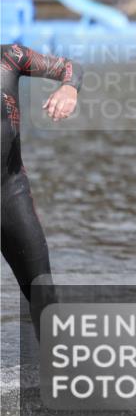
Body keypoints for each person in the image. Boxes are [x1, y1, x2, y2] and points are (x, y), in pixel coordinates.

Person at [1, 43, 81, 336]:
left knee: (43, 297)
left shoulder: (10, 58)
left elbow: (69, 68)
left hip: (9, 195)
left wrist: (69, 89)